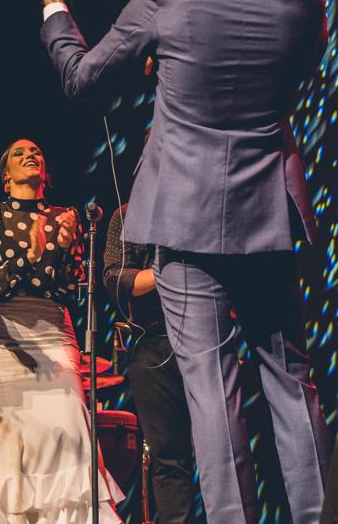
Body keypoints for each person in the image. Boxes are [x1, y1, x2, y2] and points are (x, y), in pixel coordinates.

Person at [30, 0, 332, 523]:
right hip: (270, 218)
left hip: (186, 222)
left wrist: (55, 0)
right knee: (291, 384)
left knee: (212, 394)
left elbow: (82, 79)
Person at [0, 138, 123, 523]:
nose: (30, 154)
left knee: (68, 423)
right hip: (3, 332)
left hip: (54, 329)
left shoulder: (66, 216)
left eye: (36, 152)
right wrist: (38, 251)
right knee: (6, 436)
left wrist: (56, 247)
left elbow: (68, 287)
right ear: (6, 177)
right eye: (19, 153)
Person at [103, 202, 196, 524]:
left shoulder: (200, 202)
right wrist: (167, 273)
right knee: (169, 458)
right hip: (152, 344)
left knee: (222, 448)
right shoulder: (128, 214)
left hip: (204, 341)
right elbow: (115, 279)